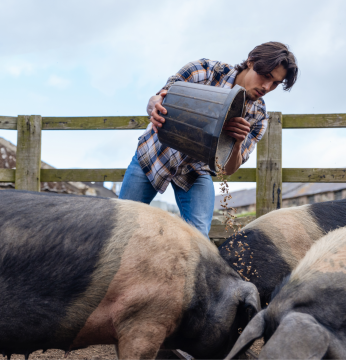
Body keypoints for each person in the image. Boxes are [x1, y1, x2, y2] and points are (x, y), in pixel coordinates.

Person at [119, 42, 298, 237]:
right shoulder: (205, 71)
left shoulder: (258, 115)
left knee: (199, 238)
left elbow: (228, 170)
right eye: (266, 76)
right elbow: (159, 99)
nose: (266, 87)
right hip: (155, 155)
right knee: (121, 224)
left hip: (196, 171)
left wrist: (236, 144)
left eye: (275, 84)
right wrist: (153, 105)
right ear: (251, 61)